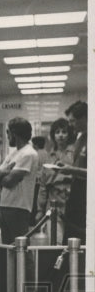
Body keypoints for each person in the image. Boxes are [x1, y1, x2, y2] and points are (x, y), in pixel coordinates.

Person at [0, 117, 39, 245]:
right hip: (5, 205)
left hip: (19, 207)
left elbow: (9, 181)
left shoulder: (28, 154)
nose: (7, 136)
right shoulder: (12, 154)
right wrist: (2, 174)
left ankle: (27, 267)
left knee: (21, 249)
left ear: (14, 133)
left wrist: (1, 176)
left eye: (8, 132)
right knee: (8, 248)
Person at [59, 100, 87, 243]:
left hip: (86, 192)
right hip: (76, 189)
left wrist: (72, 170)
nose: (70, 125)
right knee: (70, 233)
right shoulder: (80, 137)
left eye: (73, 121)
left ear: (85, 118)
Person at [41, 117, 75, 229]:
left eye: (64, 132)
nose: (60, 135)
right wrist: (39, 210)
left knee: (72, 243)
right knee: (55, 242)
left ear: (69, 134)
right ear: (53, 135)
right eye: (57, 132)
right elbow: (43, 185)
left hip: (72, 204)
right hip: (53, 205)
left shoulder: (75, 154)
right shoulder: (48, 157)